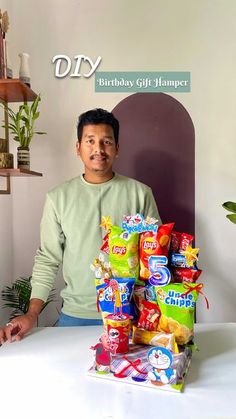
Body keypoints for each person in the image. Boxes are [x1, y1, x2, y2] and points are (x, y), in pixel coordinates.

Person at [0, 108, 160, 344]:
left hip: (131, 315)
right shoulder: (58, 197)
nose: (98, 149)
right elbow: (48, 258)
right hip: (75, 318)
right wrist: (32, 314)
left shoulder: (140, 194)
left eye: (106, 141)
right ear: (78, 147)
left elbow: (156, 255)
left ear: (117, 148)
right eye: (90, 141)